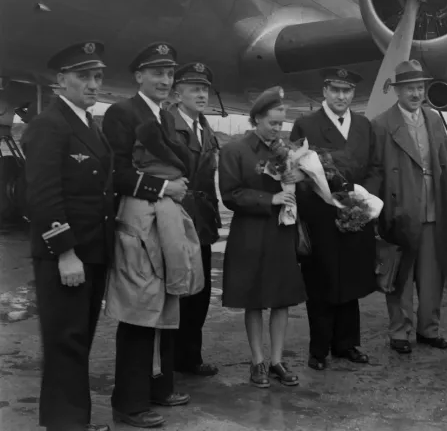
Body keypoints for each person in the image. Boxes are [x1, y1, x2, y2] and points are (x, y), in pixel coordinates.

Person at [21, 42, 114, 431]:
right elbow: (43, 196)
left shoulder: (87, 122)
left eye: (97, 77)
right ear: (62, 80)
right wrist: (64, 252)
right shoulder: (50, 125)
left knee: (80, 336)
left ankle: (71, 419)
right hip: (68, 252)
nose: (93, 85)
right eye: (84, 76)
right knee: (66, 340)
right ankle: (66, 423)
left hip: (92, 249)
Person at [102, 42, 190, 429]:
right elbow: (116, 173)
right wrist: (164, 188)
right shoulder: (122, 113)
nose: (164, 80)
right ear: (138, 75)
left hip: (165, 221)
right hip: (139, 223)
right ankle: (130, 402)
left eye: (169, 74)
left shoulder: (165, 116)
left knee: (167, 302)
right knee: (140, 309)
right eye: (156, 73)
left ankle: (159, 386)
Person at [289, 68, 381, 370]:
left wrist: (363, 199)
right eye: (335, 90)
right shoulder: (305, 125)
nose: (341, 96)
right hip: (322, 216)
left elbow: (375, 167)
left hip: (355, 213)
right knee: (321, 284)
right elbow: (298, 174)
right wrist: (322, 203)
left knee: (352, 281)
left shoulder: (365, 125)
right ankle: (319, 349)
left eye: (347, 90)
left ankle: (347, 344)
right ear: (325, 91)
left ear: (353, 93)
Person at [371, 60, 447, 355]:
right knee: (400, 276)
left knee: (433, 275)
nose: (415, 93)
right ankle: (400, 331)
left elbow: (446, 161)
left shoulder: (435, 119)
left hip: (435, 209)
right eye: (409, 88)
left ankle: (429, 329)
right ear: (397, 91)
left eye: (420, 88)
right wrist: (377, 211)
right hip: (401, 211)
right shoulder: (382, 125)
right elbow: (376, 171)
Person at [219, 86, 307, 388]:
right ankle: (257, 361)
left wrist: (301, 178)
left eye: (281, 124)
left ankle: (276, 361)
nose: (277, 130)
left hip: (281, 232)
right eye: (272, 123)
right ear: (256, 119)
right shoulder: (235, 150)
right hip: (251, 233)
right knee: (253, 300)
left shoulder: (287, 152)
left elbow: (299, 187)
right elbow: (230, 194)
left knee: (281, 299)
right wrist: (270, 200)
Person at [169, 62, 222, 377]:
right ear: (178, 93)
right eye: (194, 89)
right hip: (176, 221)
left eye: (204, 89)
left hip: (201, 223)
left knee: (199, 294)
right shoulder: (167, 124)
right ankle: (169, 360)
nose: (201, 94)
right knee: (177, 293)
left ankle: (190, 357)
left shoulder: (206, 128)